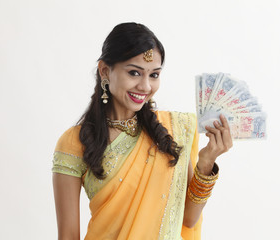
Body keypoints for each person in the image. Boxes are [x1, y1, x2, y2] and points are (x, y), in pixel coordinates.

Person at [52, 22, 233, 240]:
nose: (146, 86)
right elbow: (68, 236)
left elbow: (187, 218)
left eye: (154, 75)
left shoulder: (174, 129)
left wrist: (206, 164)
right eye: (135, 73)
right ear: (105, 71)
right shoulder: (74, 142)